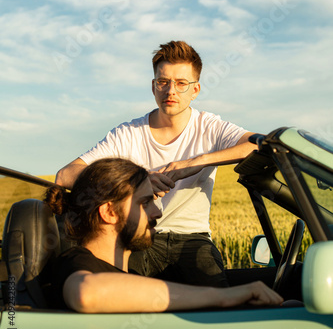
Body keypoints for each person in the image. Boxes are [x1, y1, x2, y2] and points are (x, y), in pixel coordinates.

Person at [55, 41, 256, 287]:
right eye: (163, 82)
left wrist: (198, 162)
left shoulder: (210, 127)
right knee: (125, 302)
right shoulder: (128, 133)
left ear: (195, 90)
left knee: (217, 307)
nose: (171, 91)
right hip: (139, 237)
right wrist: (135, 182)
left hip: (194, 240)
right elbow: (66, 175)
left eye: (182, 83)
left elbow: (259, 146)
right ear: (153, 86)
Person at [46, 157, 283, 313]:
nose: (157, 212)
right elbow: (87, 293)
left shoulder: (125, 274)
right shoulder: (77, 262)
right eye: (145, 202)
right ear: (109, 212)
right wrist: (224, 296)